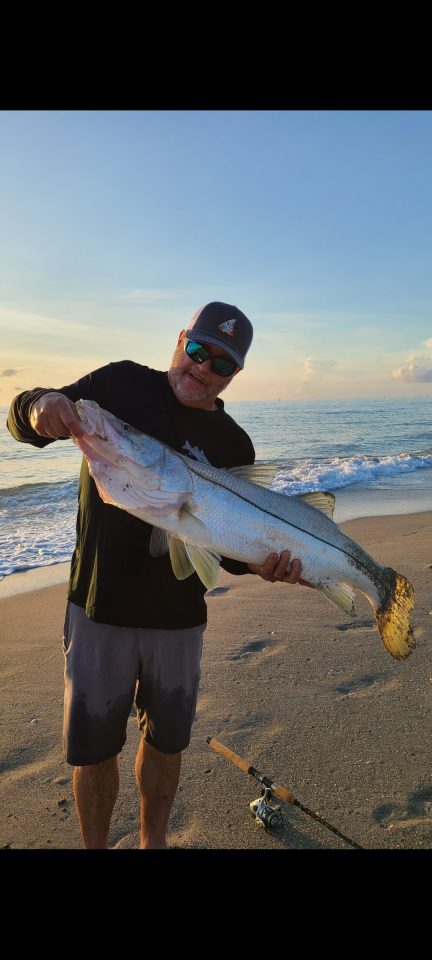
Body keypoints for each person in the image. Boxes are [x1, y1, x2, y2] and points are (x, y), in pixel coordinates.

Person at [7, 301, 308, 849]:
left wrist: (270, 566)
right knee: (95, 750)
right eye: (197, 350)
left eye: (220, 363)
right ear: (180, 339)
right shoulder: (120, 385)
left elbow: (231, 549)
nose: (201, 367)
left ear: (234, 375)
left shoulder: (235, 445)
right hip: (99, 606)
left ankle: (154, 843)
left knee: (167, 744)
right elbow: (26, 421)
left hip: (179, 619)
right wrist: (39, 404)